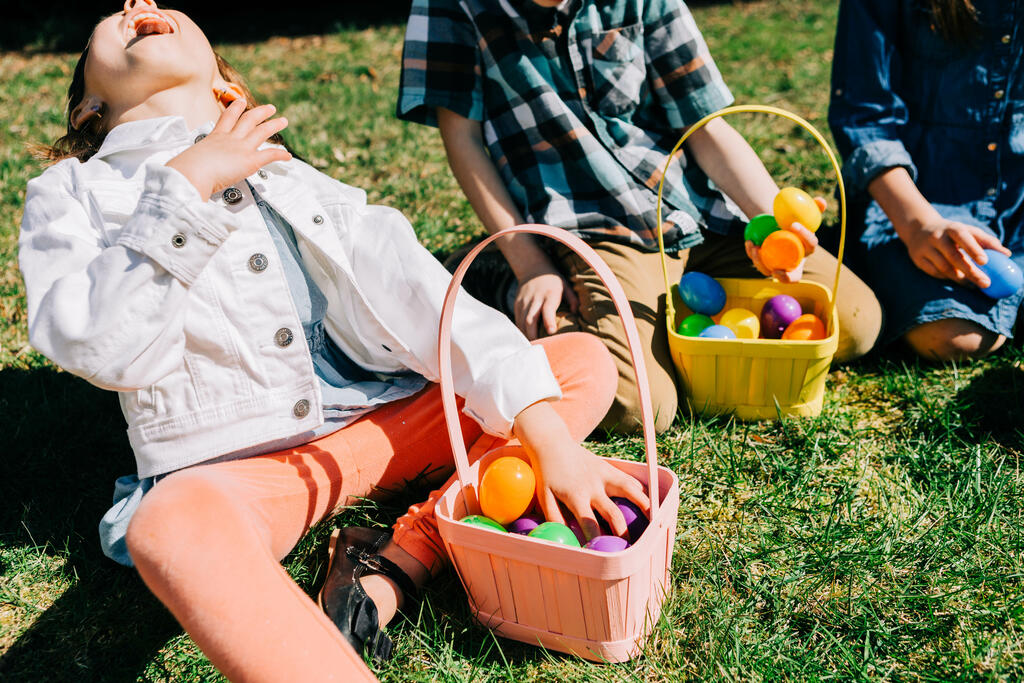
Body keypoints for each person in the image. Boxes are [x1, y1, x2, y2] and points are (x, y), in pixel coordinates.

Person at [18, 2, 650, 680]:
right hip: (245, 475)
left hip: (382, 428)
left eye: (160, 5)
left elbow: (425, 300)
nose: (137, 4)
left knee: (576, 362)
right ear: (88, 105)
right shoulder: (74, 192)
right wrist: (188, 182)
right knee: (170, 525)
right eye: (107, 22)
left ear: (227, 87)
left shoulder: (294, 178)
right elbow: (92, 344)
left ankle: (401, 558)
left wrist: (547, 437)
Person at [397, 0, 882, 434]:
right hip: (596, 229)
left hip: (697, 213)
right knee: (638, 407)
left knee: (855, 321)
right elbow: (463, 141)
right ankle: (499, 280)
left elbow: (706, 125)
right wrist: (530, 265)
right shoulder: (451, 7)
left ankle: (663, 321)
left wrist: (769, 222)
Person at [828, 0, 1023, 361]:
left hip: (1018, 200)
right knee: (953, 337)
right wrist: (919, 224)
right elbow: (864, 116)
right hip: (921, 203)